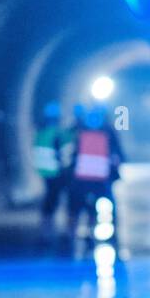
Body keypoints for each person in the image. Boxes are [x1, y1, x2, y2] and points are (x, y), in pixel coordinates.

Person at [65, 105, 125, 247]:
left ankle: (70, 235)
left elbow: (71, 152)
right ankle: (101, 234)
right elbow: (120, 155)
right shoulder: (109, 131)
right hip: (101, 177)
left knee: (76, 207)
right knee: (104, 205)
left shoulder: (79, 131)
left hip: (81, 176)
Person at [32, 101, 75, 241]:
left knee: (50, 198)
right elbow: (64, 153)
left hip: (45, 172)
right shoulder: (59, 133)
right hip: (58, 171)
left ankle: (46, 227)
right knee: (63, 198)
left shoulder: (40, 133)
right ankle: (67, 229)